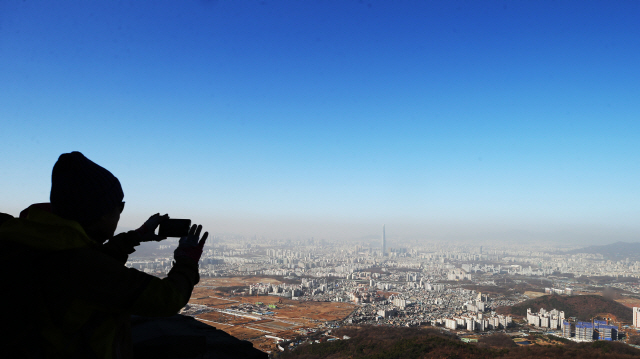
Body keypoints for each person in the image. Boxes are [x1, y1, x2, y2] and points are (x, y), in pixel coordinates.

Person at [0, 152, 208, 359]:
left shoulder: (35, 240)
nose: (120, 214)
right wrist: (186, 260)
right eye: (120, 206)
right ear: (100, 213)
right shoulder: (80, 265)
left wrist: (135, 236)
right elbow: (168, 299)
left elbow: (87, 261)